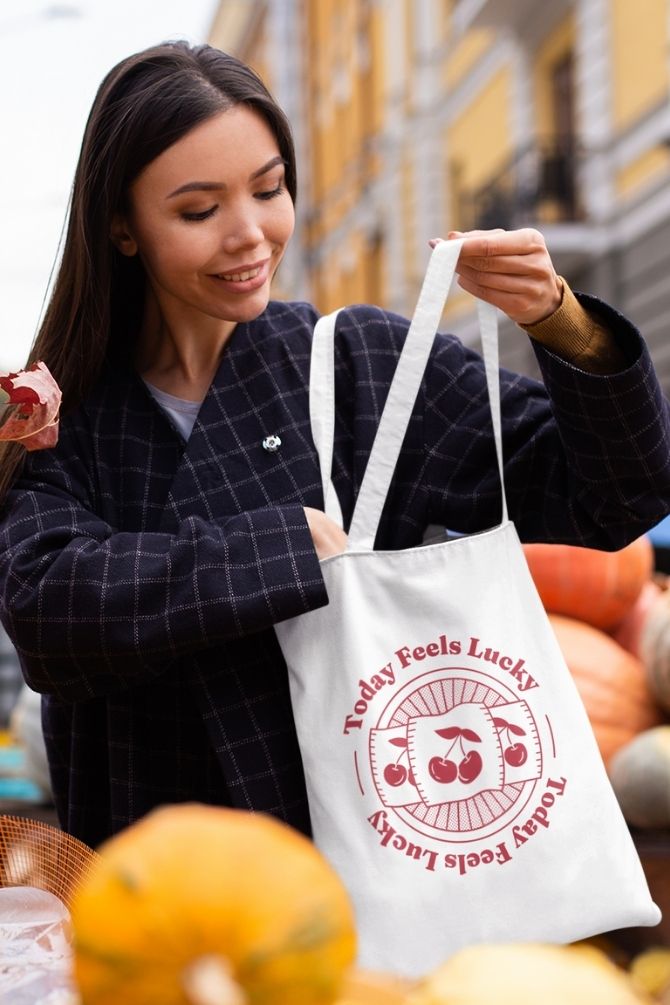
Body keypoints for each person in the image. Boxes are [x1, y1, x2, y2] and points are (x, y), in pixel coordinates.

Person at [0, 41, 669, 850]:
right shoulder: (62, 410)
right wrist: (280, 548)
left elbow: (614, 496)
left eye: (270, 188)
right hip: (160, 868)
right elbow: (48, 607)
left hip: (382, 853)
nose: (251, 235)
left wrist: (561, 322)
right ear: (123, 226)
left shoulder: (361, 363)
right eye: (198, 210)